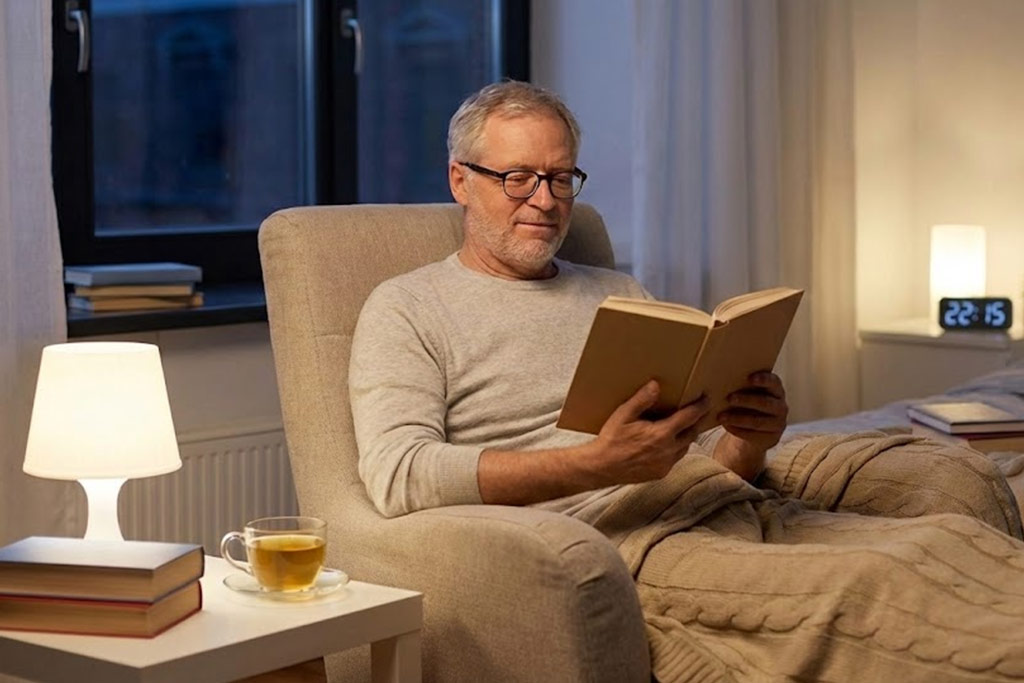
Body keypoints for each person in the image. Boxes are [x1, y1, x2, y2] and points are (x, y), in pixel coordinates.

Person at [349, 81, 1024, 682]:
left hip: (703, 497)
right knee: (876, 580)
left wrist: (750, 435)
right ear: (461, 179)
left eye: (560, 178)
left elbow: (700, 457)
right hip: (617, 535)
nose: (546, 201)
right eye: (519, 178)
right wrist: (596, 463)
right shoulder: (409, 306)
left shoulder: (617, 293)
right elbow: (399, 472)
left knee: (934, 536)